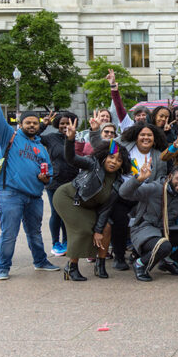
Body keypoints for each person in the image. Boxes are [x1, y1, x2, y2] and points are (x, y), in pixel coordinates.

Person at [0, 75, 60, 280]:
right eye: (28, 122)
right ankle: (3, 267)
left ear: (39, 126)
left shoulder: (40, 148)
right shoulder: (8, 137)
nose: (31, 125)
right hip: (10, 194)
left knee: (35, 233)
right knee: (9, 234)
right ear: (20, 124)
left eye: (35, 123)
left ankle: (40, 261)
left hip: (34, 197)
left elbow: (49, 176)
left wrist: (45, 178)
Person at [54, 119, 131, 281]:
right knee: (82, 229)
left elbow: (106, 209)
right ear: (104, 157)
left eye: (118, 160)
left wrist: (99, 230)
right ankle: (71, 267)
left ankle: (100, 264)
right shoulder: (93, 164)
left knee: (107, 228)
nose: (114, 162)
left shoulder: (117, 182)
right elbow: (71, 158)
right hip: (68, 198)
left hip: (88, 206)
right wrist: (70, 140)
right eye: (111, 157)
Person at [92, 120, 169, 270]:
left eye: (149, 135)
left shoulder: (159, 157)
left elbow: (161, 179)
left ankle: (137, 254)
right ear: (136, 136)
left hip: (144, 197)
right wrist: (95, 131)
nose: (146, 138)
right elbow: (101, 147)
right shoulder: (124, 146)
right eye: (142, 135)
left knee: (144, 224)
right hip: (122, 193)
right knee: (119, 222)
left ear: (155, 139)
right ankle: (119, 257)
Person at [41, 112, 80, 257]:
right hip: (55, 181)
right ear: (57, 124)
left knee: (68, 213)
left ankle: (66, 241)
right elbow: (33, 137)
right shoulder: (51, 138)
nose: (65, 126)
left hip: (73, 181)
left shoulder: (78, 138)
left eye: (68, 122)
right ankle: (55, 243)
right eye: (62, 123)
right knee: (56, 212)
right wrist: (43, 124)